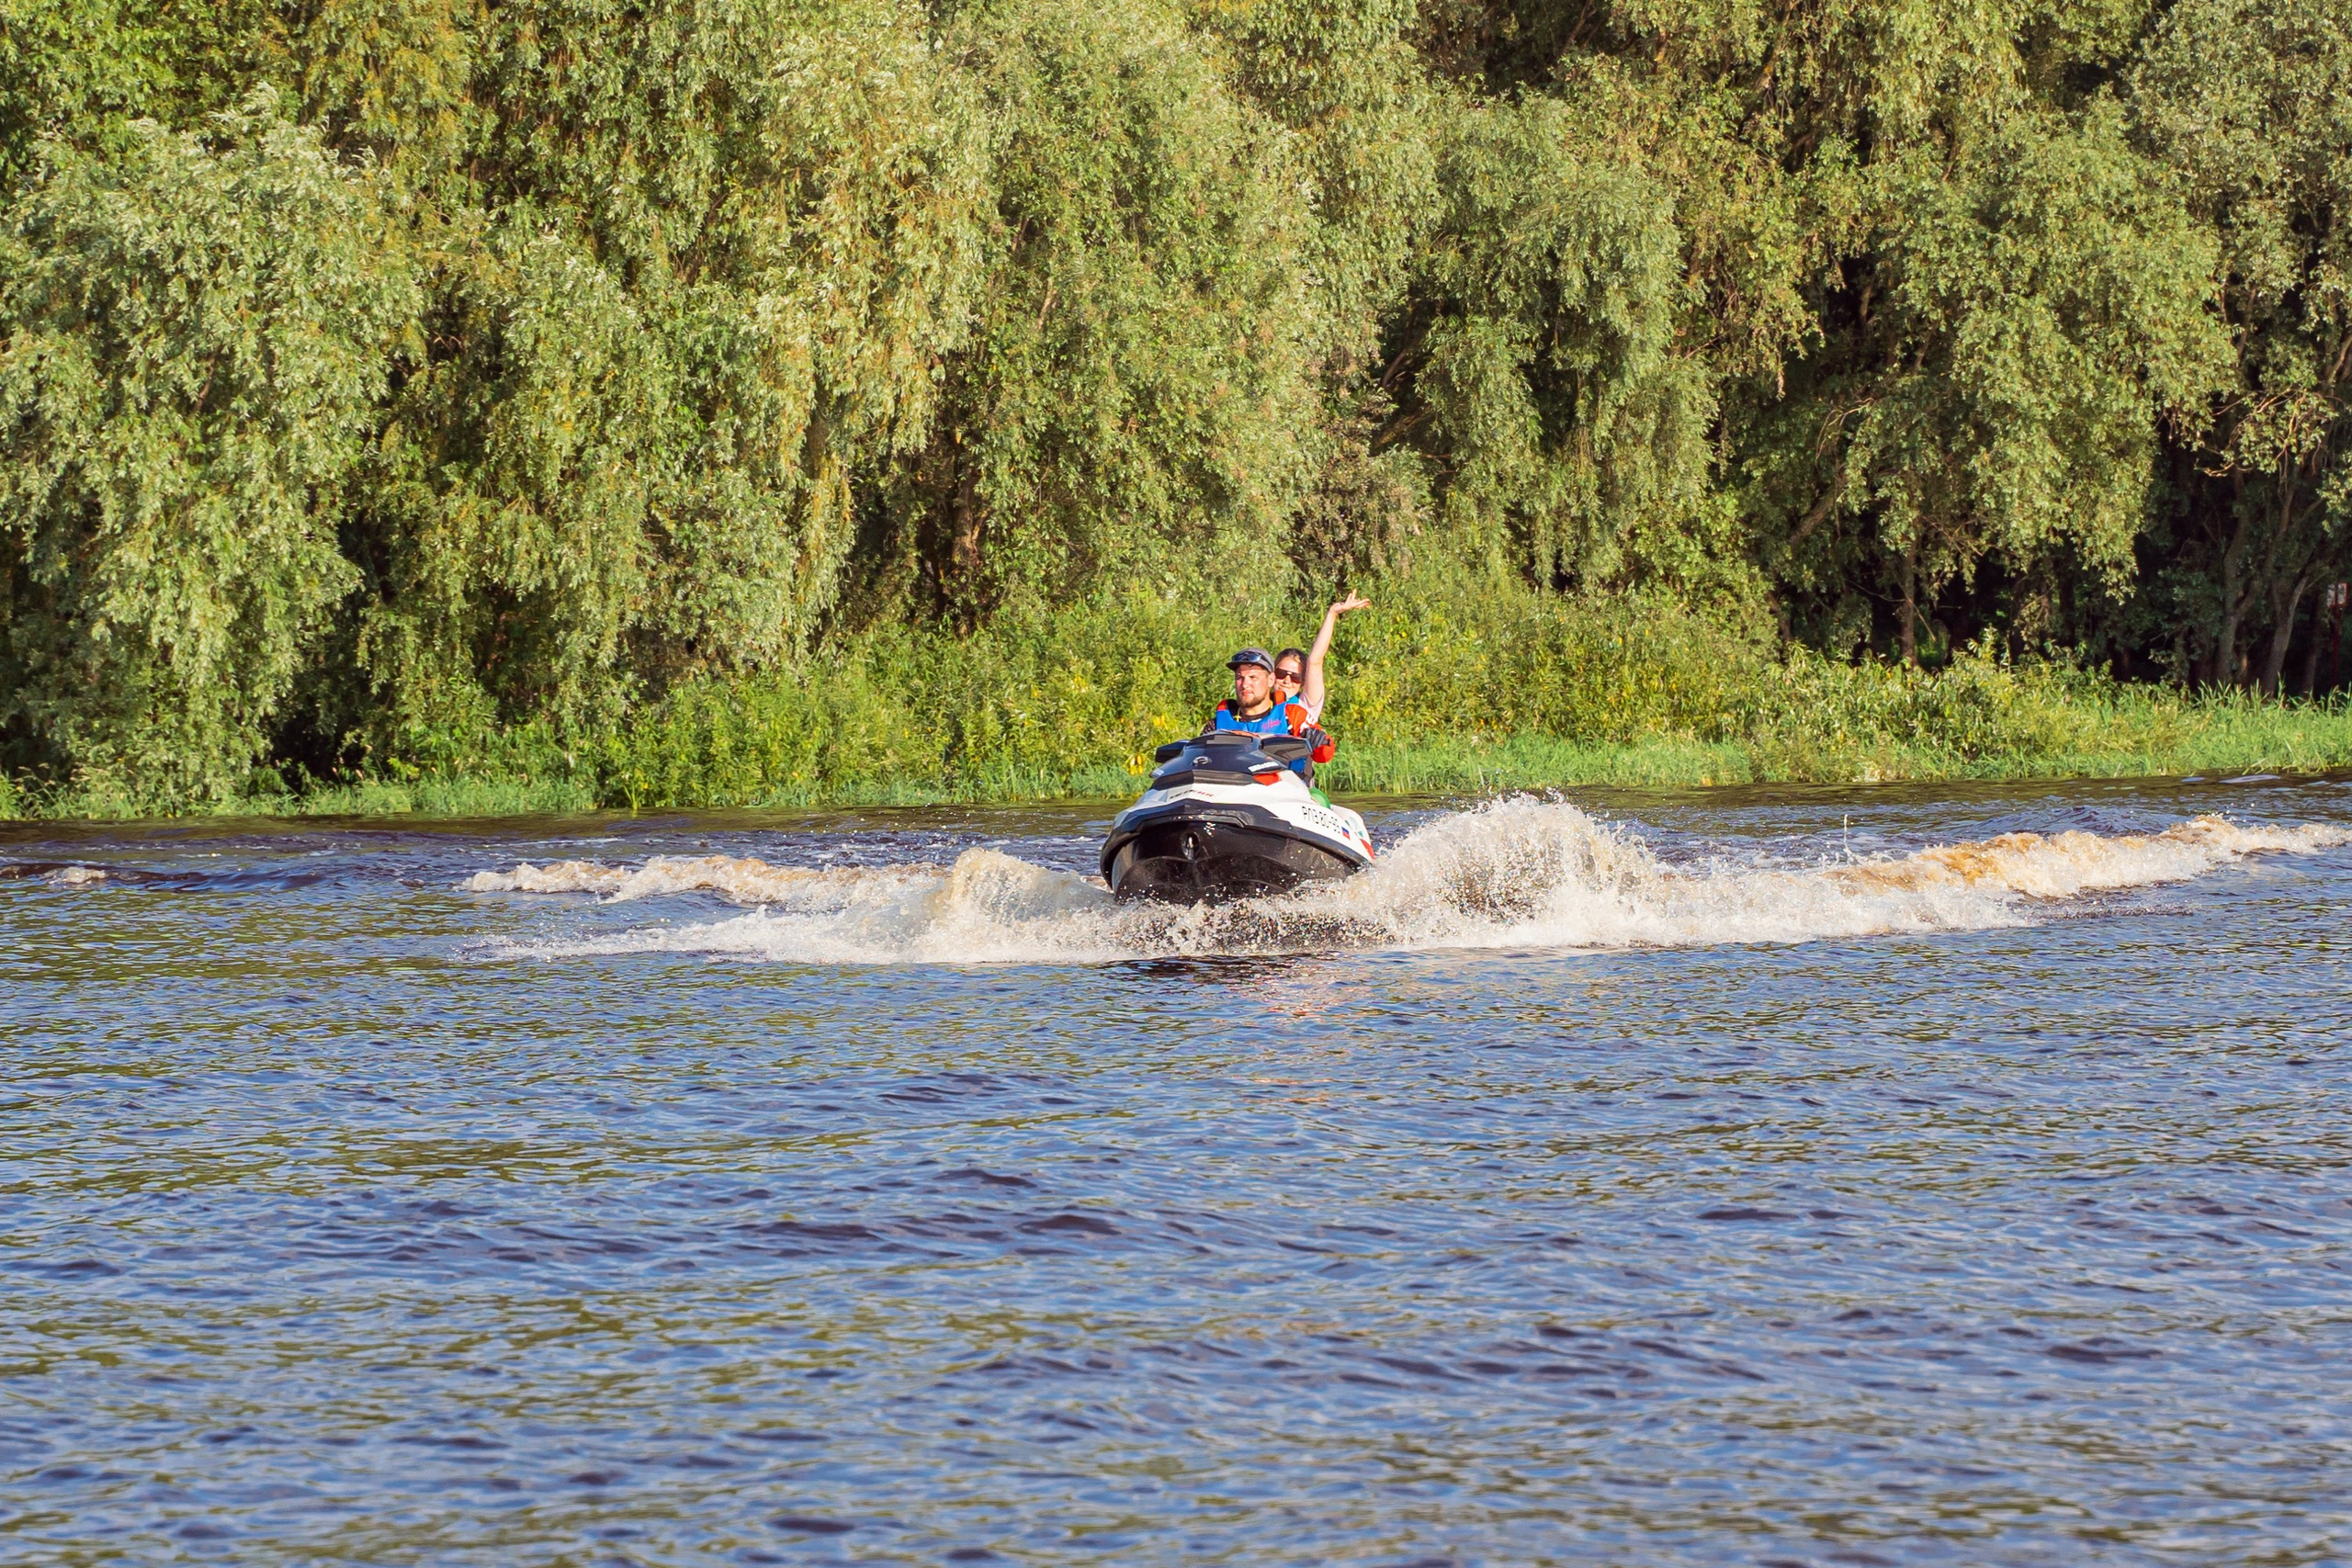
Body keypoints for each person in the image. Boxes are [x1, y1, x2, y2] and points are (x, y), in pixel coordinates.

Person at [1209, 648, 1334, 780]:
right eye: (1240, 678)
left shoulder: (1292, 715)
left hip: (1285, 791)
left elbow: (1325, 755)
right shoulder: (1216, 724)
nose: (1245, 685)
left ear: (1270, 680)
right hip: (1233, 790)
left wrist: (1319, 742)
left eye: (1253, 677)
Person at [1272, 595, 1370, 725]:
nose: (1287, 681)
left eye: (1295, 677)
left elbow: (1315, 661)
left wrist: (1332, 613)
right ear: (1271, 675)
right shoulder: (1258, 705)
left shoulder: (1306, 704)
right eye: (1281, 673)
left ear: (1303, 682)